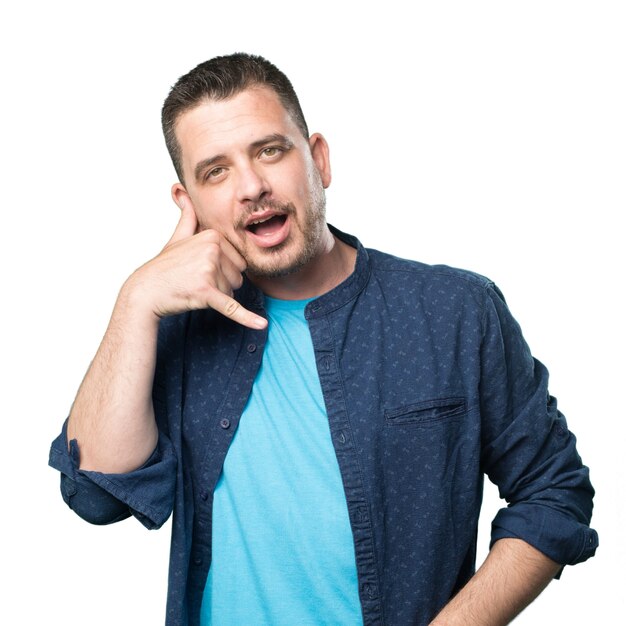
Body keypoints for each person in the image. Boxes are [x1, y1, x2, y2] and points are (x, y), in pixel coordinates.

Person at [49, 53, 597, 626]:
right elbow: (96, 495)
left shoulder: (455, 311)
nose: (252, 187)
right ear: (188, 205)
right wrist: (134, 300)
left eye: (269, 151)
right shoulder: (170, 331)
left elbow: (553, 493)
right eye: (216, 171)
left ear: (318, 159)